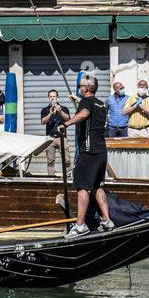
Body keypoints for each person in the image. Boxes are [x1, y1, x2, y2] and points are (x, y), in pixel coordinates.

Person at [58, 74, 115, 237]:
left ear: (87, 88)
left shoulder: (86, 103)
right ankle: (106, 220)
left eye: (81, 85)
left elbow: (83, 114)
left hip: (88, 151)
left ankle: (80, 225)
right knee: (97, 186)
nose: (79, 87)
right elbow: (89, 110)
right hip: (101, 151)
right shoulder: (101, 104)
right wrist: (78, 100)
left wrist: (65, 124)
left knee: (82, 187)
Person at [40, 89, 70, 170]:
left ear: (57, 98)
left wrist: (60, 112)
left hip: (62, 138)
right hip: (50, 138)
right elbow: (43, 122)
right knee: (50, 162)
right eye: (51, 97)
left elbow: (68, 119)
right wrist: (50, 113)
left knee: (67, 160)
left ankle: (69, 179)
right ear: (48, 98)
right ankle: (51, 180)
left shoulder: (64, 108)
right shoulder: (45, 110)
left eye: (54, 96)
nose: (52, 98)